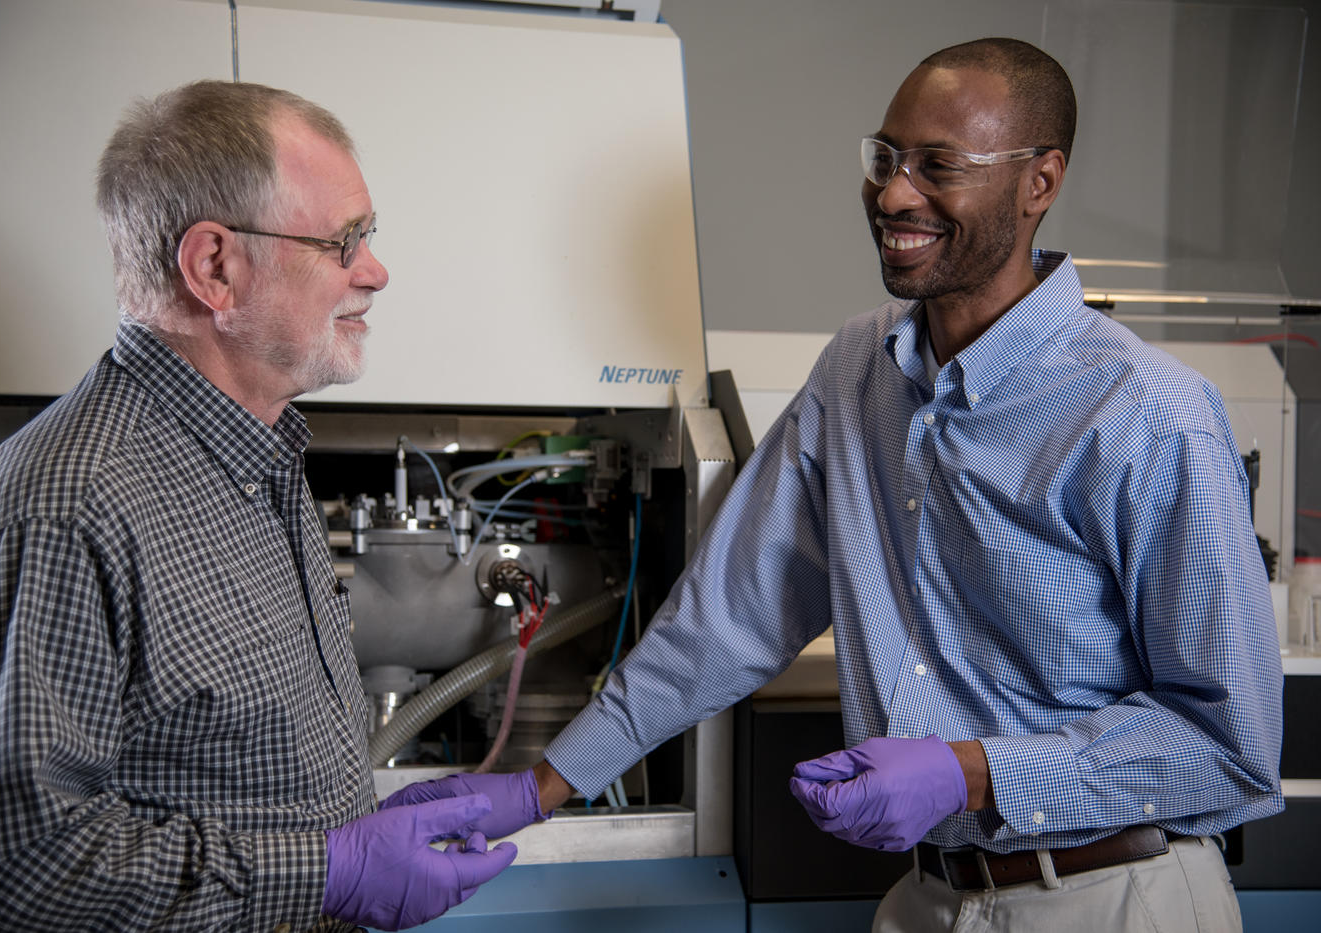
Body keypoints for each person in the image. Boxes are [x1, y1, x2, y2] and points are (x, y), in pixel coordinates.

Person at [386, 38, 1285, 931]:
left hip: (1114, 899)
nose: (894, 193)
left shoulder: (1148, 414)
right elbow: (728, 616)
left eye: (938, 165)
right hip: (930, 897)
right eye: (886, 157)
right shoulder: (857, 368)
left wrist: (973, 771)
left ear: (1039, 183)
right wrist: (542, 785)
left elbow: (1230, 748)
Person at [0, 80, 515, 932]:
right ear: (214, 268)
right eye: (344, 241)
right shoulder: (60, 514)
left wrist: (363, 817)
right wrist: (326, 870)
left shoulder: (261, 461)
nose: (375, 272)